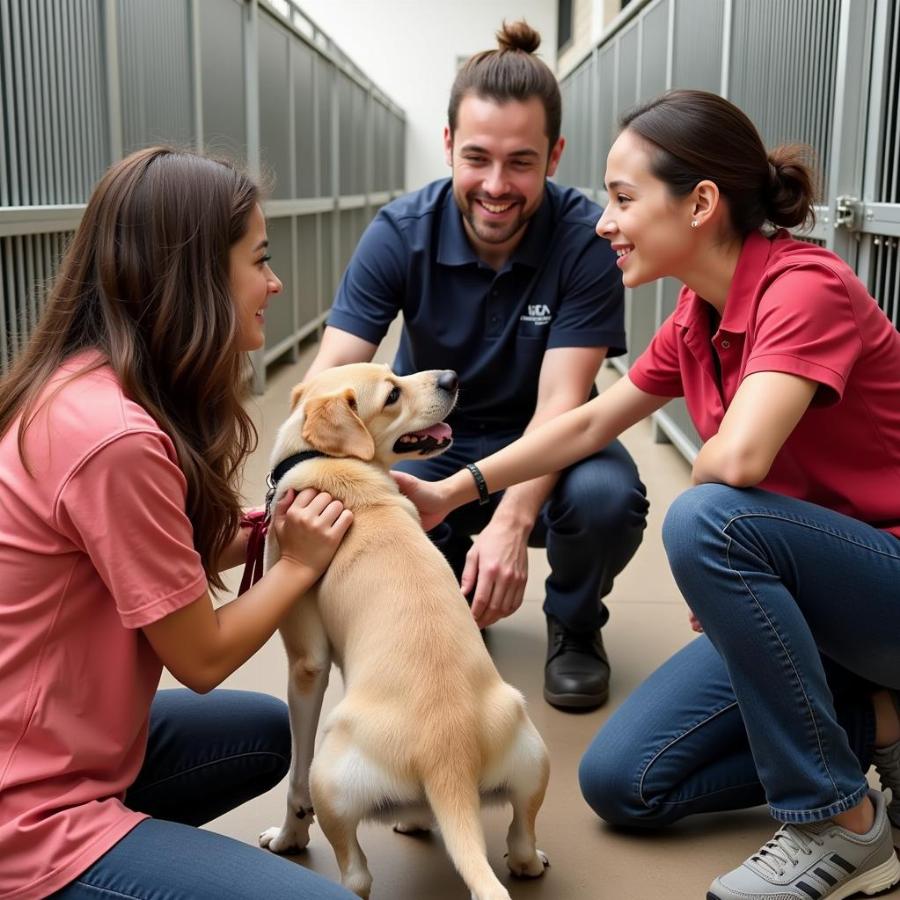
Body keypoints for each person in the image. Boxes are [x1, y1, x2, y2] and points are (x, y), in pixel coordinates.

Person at [392, 89, 900, 900]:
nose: (603, 222)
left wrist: (722, 562)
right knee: (624, 782)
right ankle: (873, 725)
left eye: (624, 199)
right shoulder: (697, 315)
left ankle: (837, 824)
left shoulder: (806, 289)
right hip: (821, 613)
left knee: (708, 519)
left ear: (700, 203)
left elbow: (734, 463)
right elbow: (590, 423)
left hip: (885, 586)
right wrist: (454, 490)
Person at [0, 147, 356, 900]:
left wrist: (276, 526)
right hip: (27, 811)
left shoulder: (84, 387)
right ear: (195, 273)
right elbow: (200, 658)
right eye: (259, 260)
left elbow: (161, 558)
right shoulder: (116, 440)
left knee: (260, 737)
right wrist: (297, 564)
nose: (274, 282)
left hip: (56, 739)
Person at [303, 20, 648, 712]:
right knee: (349, 492)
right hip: (432, 437)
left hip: (549, 444)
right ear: (449, 147)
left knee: (610, 499)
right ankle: (451, 596)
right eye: (478, 158)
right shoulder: (399, 233)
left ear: (554, 156)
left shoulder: (586, 241)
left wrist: (512, 521)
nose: (496, 185)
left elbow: (562, 407)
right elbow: (333, 373)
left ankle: (575, 624)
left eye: (521, 162)